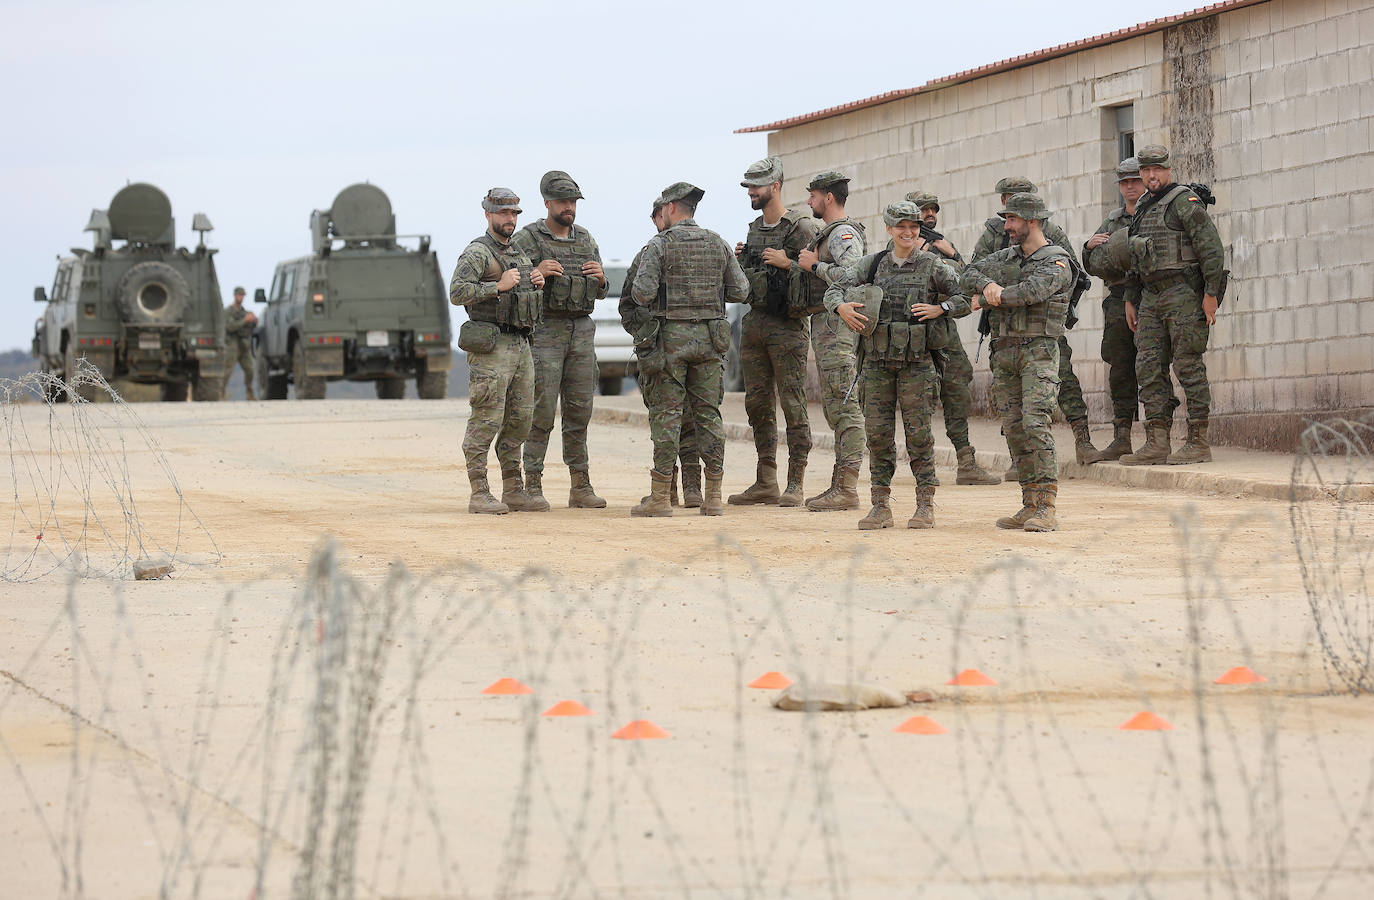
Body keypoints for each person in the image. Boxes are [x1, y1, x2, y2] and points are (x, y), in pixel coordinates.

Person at [824, 200, 965, 531]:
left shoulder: (933, 265)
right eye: (901, 226)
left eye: (914, 227)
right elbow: (834, 290)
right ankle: (880, 506)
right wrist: (841, 308)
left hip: (918, 365)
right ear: (888, 228)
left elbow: (967, 296)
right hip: (877, 364)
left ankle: (925, 505)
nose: (908, 232)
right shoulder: (873, 264)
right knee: (878, 436)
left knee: (919, 436)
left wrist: (941, 308)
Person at [629, 182, 749, 517]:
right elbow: (741, 290)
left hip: (671, 341)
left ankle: (660, 498)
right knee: (708, 414)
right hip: (710, 341)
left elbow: (641, 294)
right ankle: (713, 497)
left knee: (668, 416)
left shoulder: (660, 245)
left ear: (669, 208)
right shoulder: (717, 242)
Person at [961, 192, 1076, 532]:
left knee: (1035, 424)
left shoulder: (1056, 260)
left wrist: (989, 298)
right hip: (1005, 352)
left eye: (1012, 219)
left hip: (1038, 352)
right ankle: (1029, 503)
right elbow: (967, 273)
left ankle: (1047, 506)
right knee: (1013, 427)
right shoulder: (1006, 257)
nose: (1007, 226)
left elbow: (1032, 292)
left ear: (1033, 221)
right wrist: (987, 283)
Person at [971, 177, 1099, 467]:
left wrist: (999, 296)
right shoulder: (995, 234)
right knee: (1010, 400)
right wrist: (988, 285)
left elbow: (1072, 273)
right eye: (1010, 198)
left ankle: (1083, 439)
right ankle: (1020, 460)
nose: (1013, 206)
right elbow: (973, 270)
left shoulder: (1049, 233)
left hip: (1042, 326)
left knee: (1062, 381)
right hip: (1006, 329)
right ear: (1003, 201)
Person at [1118, 144, 1227, 466]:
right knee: (1148, 367)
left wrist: (1211, 295)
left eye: (1158, 169)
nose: (1152, 175)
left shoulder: (1184, 201)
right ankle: (1157, 441)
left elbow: (1212, 249)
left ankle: (1198, 441)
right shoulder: (1143, 206)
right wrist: (1130, 297)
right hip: (1150, 296)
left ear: (1168, 170)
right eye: (1146, 170)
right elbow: (1135, 256)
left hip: (1183, 294)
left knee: (1188, 365)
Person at [511, 170, 608, 510]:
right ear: (547, 203)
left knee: (580, 410)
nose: (570, 207)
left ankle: (580, 485)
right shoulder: (528, 239)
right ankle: (532, 484)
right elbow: (510, 280)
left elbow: (600, 288)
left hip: (581, 331)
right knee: (540, 410)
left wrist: (601, 280)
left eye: (573, 201)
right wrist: (536, 273)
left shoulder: (585, 239)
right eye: (563, 201)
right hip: (545, 331)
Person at [449, 188, 546, 514]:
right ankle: (479, 492)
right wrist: (497, 286)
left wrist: (536, 281)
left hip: (520, 344)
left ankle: (514, 489)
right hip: (492, 348)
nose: (510, 219)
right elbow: (457, 292)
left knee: (521, 419)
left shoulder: (517, 251)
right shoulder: (478, 252)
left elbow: (521, 293)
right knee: (486, 418)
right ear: (488, 214)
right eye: (503, 213)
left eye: (514, 213)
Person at [731, 157, 818, 507]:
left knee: (793, 403)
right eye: (749, 186)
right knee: (757, 404)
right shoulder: (754, 229)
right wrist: (740, 261)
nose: (750, 192)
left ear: (775, 186)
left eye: (756, 186)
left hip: (787, 327)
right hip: (755, 324)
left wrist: (789, 263)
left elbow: (819, 278)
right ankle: (765, 480)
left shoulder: (801, 228)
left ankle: (795, 483)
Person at [906, 191, 1001, 485]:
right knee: (918, 400)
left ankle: (966, 462)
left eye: (933, 210)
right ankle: (923, 468)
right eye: (924, 210)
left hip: (944, 331)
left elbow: (966, 284)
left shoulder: (942, 246)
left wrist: (953, 255)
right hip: (913, 336)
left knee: (958, 389)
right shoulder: (902, 247)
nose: (930, 214)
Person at [619, 200, 701, 507]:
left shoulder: (697, 251)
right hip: (658, 352)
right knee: (664, 419)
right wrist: (645, 337)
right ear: (656, 218)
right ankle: (668, 489)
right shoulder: (647, 255)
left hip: (694, 350)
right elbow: (628, 304)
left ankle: (692, 488)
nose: (662, 219)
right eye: (658, 215)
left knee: (691, 417)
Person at [794, 171, 866, 511]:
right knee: (835, 406)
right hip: (827, 326)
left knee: (845, 405)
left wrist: (815, 267)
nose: (809, 201)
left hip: (839, 328)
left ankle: (847, 488)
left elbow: (853, 274)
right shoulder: (829, 233)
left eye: (813, 195)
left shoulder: (842, 233)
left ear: (829, 197)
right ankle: (840, 485)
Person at [1082, 157, 1148, 460]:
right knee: (1120, 368)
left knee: (1152, 367)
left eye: (1135, 180)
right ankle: (1122, 436)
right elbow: (1093, 263)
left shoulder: (1154, 214)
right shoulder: (1112, 222)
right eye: (1125, 182)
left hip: (1151, 298)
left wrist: (1117, 256)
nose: (1130, 187)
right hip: (1119, 300)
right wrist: (1089, 247)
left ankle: (1156, 436)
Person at [223, 286, 256, 400]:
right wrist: (244, 321)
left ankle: (250, 393)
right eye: (239, 295)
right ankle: (221, 393)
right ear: (235, 296)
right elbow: (230, 327)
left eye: (242, 295)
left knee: (250, 370)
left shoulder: (244, 312)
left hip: (244, 344)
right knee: (227, 370)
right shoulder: (228, 312)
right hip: (232, 344)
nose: (241, 297)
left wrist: (253, 320)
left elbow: (249, 328)